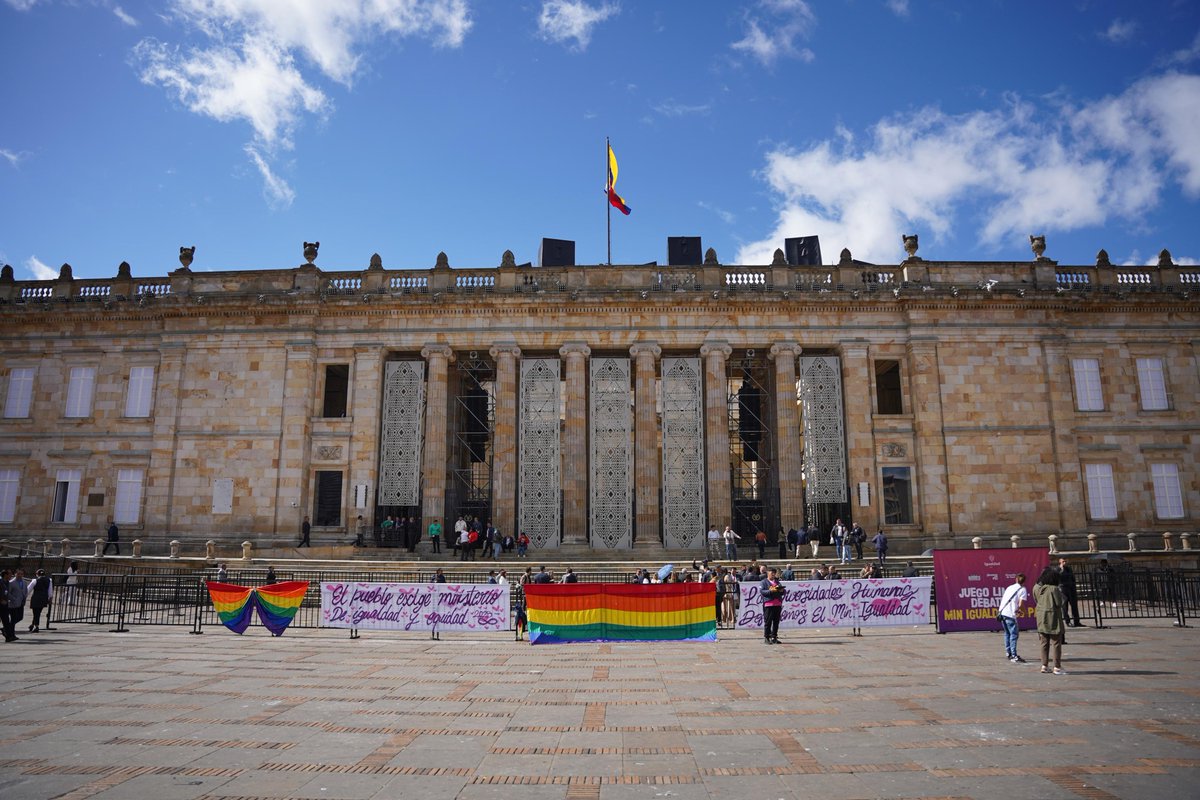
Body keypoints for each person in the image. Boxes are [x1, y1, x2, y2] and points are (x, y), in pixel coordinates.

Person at [1034, 567, 1067, 675]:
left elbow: (1036, 600)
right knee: (1056, 642)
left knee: (1044, 642)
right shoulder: (1054, 589)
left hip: (1041, 617)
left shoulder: (1038, 588)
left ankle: (1044, 665)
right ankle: (1057, 666)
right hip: (1052, 617)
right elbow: (1059, 603)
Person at [997, 573, 1029, 664]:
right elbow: (1021, 604)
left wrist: (1017, 610)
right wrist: (1025, 612)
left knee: (1007, 633)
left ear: (1016, 579)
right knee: (1014, 635)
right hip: (1010, 614)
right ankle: (1014, 655)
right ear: (1024, 581)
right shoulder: (1022, 589)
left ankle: (1009, 653)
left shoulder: (1010, 587)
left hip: (1002, 612)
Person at [760, 567, 784, 644]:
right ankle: (767, 637)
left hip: (777, 604)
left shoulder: (777, 582)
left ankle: (774, 636)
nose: (773, 575)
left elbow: (783, 592)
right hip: (769, 604)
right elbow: (762, 591)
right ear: (768, 573)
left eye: (774, 573)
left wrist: (782, 590)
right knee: (768, 622)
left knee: (776, 622)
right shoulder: (763, 582)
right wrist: (770, 591)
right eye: (771, 573)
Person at [1057, 557, 1082, 627]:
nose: (1064, 563)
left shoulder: (1069, 569)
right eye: (1063, 561)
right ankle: (1067, 621)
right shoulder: (1057, 569)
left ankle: (1076, 621)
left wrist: (1074, 585)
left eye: (1065, 561)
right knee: (1065, 606)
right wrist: (1061, 570)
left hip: (1071, 588)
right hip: (1063, 589)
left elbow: (1072, 577)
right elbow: (1057, 577)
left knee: (1074, 605)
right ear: (1059, 562)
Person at [27, 569, 52, 633]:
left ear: (37, 574)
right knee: (38, 612)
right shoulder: (49, 580)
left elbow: (28, 589)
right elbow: (50, 590)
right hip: (44, 598)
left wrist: (24, 596)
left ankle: (36, 626)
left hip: (36, 598)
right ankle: (32, 625)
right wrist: (50, 598)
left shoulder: (35, 581)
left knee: (36, 613)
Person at [6, 568, 28, 640]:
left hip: (21, 603)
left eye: (21, 574)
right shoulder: (11, 582)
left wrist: (24, 598)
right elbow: (8, 593)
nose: (20, 575)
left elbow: (25, 591)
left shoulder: (24, 582)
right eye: (18, 574)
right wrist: (13, 599)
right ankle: (11, 634)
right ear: (15, 574)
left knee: (20, 617)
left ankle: (7, 628)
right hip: (13, 604)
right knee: (13, 619)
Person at [0, 568, 14, 642]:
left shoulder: (7, 582)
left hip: (5, 605)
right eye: (10, 574)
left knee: (6, 620)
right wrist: (1, 600)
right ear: (5, 575)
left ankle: (8, 636)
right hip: (1, 603)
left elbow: (6, 593)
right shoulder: (0, 582)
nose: (11, 575)